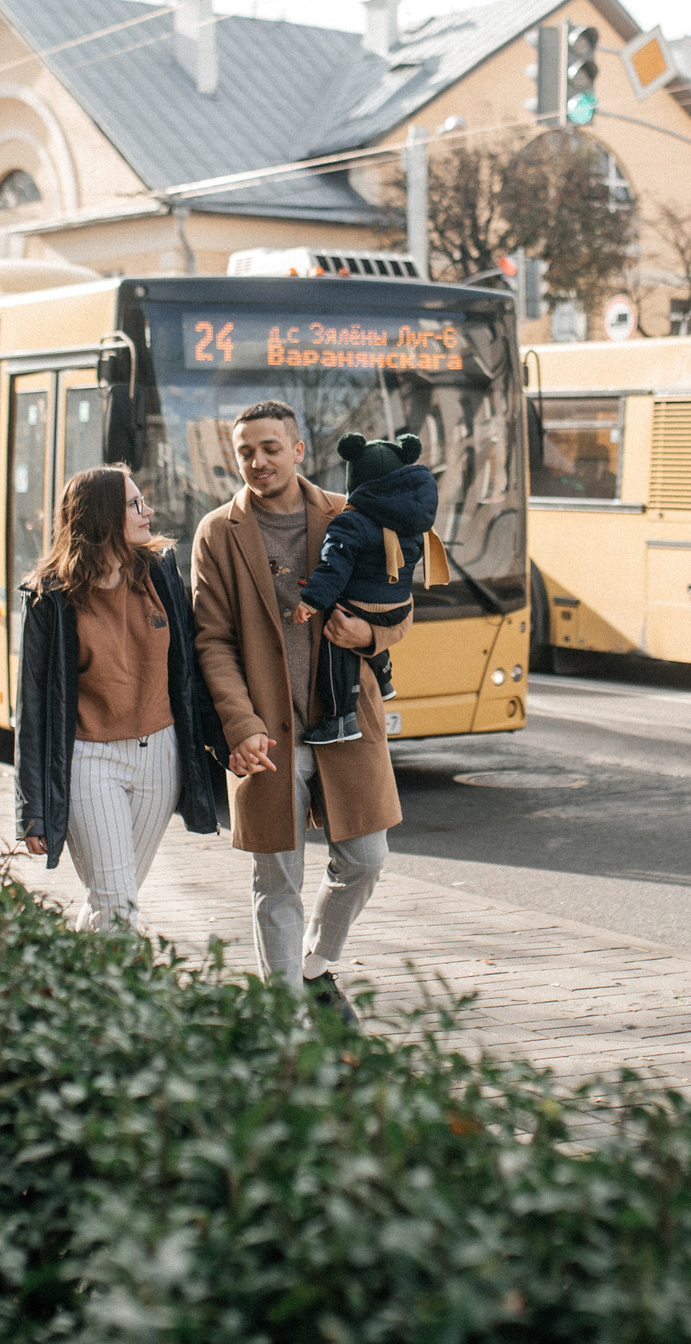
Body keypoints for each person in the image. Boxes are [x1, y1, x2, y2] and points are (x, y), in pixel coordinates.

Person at [192, 400, 411, 1021]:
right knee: (276, 881)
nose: (257, 461)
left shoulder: (349, 515)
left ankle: (315, 964)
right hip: (264, 735)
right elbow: (212, 638)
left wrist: (366, 639)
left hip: (346, 725)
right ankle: (283, 1011)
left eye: (268, 448)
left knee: (366, 860)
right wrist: (240, 722)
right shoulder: (217, 533)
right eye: (245, 452)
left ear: (297, 450)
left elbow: (399, 610)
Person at [15, 465, 224, 932]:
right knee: (117, 904)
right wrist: (30, 809)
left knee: (114, 899)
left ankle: (69, 990)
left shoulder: (160, 572)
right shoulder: (49, 598)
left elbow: (191, 668)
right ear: (103, 516)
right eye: (134, 504)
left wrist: (226, 741)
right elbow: (32, 710)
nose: (148, 511)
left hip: (160, 758)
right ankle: (123, 1003)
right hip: (91, 760)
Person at [292, 431, 438, 745]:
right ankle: (384, 676)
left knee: (336, 638)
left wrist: (312, 600)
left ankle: (340, 719)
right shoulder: (411, 521)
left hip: (364, 605)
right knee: (358, 613)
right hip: (397, 605)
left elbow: (333, 567)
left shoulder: (350, 522)